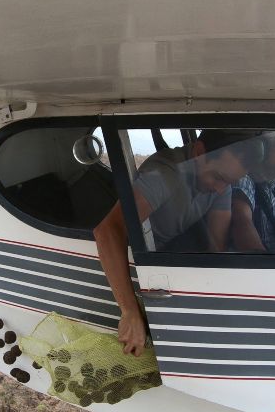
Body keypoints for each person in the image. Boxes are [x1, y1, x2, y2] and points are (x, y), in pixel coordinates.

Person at [93, 130, 259, 357]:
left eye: (229, 182)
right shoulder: (164, 175)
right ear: (199, 152)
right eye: (219, 178)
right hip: (134, 262)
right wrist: (129, 312)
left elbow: (215, 249)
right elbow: (107, 231)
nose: (221, 189)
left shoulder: (222, 184)